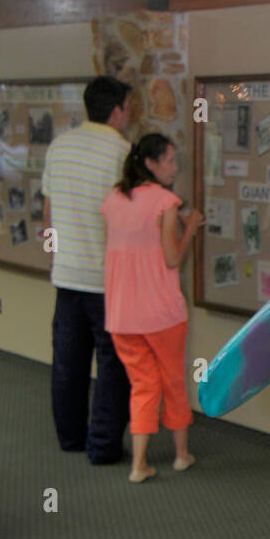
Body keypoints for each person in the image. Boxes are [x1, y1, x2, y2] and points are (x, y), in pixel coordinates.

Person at [101, 134, 203, 483]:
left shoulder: (113, 199)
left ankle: (139, 463)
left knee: (142, 385)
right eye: (170, 160)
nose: (175, 167)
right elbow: (173, 258)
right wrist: (190, 228)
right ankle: (181, 454)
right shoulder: (166, 202)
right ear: (151, 163)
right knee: (174, 381)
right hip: (162, 313)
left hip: (120, 314)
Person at [41, 76, 132, 464]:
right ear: (116, 111)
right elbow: (127, 219)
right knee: (112, 367)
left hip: (66, 275)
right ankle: (103, 445)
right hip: (106, 281)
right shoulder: (121, 152)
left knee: (67, 363)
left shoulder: (58, 146)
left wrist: (54, 259)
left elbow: (48, 214)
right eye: (128, 108)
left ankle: (70, 437)